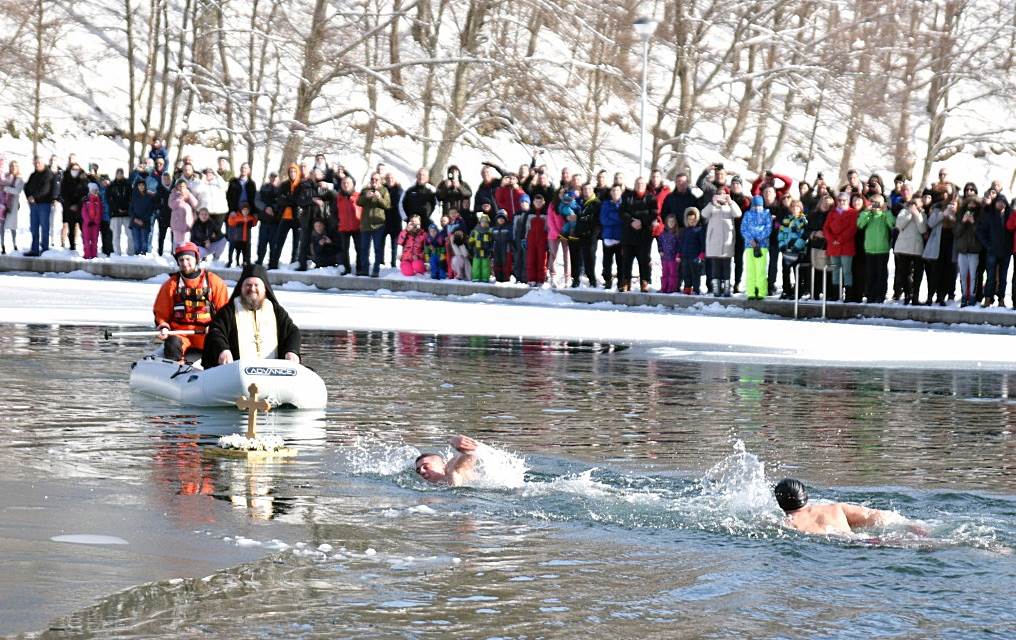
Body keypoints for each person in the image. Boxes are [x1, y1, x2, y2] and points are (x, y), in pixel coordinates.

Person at [201, 263, 301, 368]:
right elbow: (216, 332)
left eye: (256, 285)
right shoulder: (229, 311)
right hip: (237, 373)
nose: (252, 289)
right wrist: (223, 350)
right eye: (248, 285)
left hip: (273, 372)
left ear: (265, 289)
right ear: (241, 288)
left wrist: (292, 351)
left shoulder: (276, 310)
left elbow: (292, 332)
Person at [152, 242, 230, 363]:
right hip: (181, 334)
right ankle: (177, 370)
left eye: (188, 259)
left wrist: (216, 327)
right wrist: (164, 327)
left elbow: (224, 312)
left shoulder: (214, 282)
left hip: (207, 334)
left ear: (196, 259)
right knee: (172, 343)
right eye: (181, 260)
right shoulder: (170, 285)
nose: (185, 263)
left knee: (219, 345)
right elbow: (161, 314)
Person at [774, 478, 922, 537]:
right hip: (858, 539)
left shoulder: (786, 523)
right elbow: (878, 516)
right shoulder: (835, 508)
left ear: (780, 503)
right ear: (805, 495)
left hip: (842, 546)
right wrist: (910, 524)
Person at [414, 435, 479, 486]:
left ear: (443, 466)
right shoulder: (428, 486)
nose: (421, 471)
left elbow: (470, 456)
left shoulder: (450, 469)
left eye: (426, 467)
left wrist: (457, 442)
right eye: (418, 470)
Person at [24, 157, 57, 256]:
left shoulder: (49, 174)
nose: (37, 164)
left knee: (44, 227)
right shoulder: (33, 175)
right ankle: (34, 249)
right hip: (33, 205)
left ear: (43, 163)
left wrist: (34, 197)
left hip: (44, 204)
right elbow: (26, 187)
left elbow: (45, 190)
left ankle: (45, 249)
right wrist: (29, 197)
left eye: (39, 163)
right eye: (36, 163)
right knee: (34, 227)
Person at [741, 195, 772, 300]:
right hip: (749, 246)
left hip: (762, 245)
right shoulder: (747, 214)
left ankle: (761, 292)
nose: (758, 207)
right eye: (756, 205)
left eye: (760, 205)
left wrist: (758, 240)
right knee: (750, 269)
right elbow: (743, 229)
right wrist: (751, 240)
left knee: (761, 270)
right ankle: (751, 292)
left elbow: (768, 229)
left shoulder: (766, 214)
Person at [1, 160, 25, 254]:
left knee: (12, 226)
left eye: (15, 166)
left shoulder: (20, 179)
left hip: (13, 205)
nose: (13, 167)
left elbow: (17, 191)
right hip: (2, 203)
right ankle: (2, 245)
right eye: (12, 166)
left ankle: (14, 244)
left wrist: (5, 188)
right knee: (1, 226)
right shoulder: (6, 176)